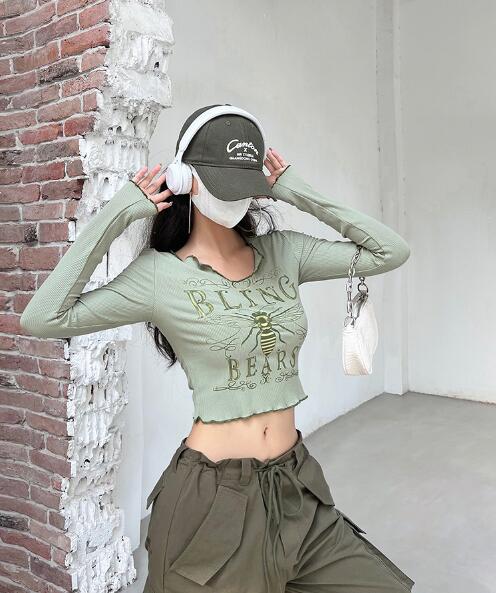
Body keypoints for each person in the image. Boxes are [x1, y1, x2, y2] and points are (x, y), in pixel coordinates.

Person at [20, 104, 414, 593]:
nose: (236, 196)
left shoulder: (285, 253)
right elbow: (43, 317)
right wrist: (119, 213)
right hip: (213, 499)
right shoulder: (160, 276)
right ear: (185, 181)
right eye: (224, 182)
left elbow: (389, 251)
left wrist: (297, 191)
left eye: (244, 183)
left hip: (295, 483)